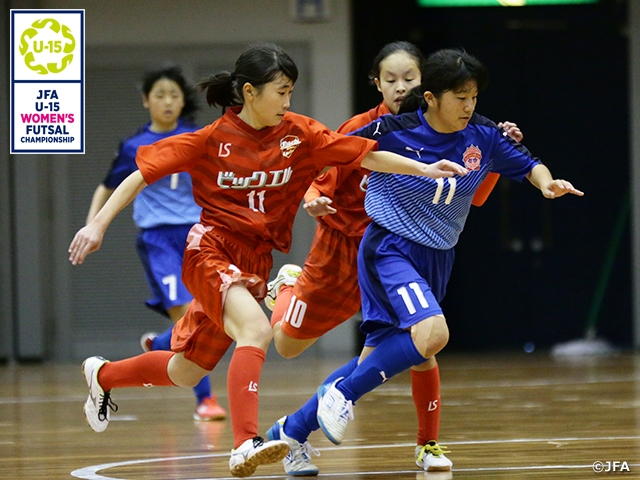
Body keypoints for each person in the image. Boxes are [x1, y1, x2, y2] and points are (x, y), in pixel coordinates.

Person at [68, 43, 467, 478]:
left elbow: (364, 153)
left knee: (186, 371)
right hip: (211, 250)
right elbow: (139, 176)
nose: (288, 102)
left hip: (255, 260)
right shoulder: (211, 140)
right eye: (280, 91)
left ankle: (103, 376)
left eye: (291, 91)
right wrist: (97, 225)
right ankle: (244, 444)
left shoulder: (300, 133)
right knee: (257, 330)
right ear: (250, 93)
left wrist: (423, 169)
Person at [266, 47, 584, 472]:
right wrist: (307, 190)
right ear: (431, 96)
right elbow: (331, 152)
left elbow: (529, 165)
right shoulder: (388, 129)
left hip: (437, 257)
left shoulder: (484, 136)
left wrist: (546, 185)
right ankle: (342, 397)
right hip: (389, 248)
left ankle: (290, 431)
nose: (469, 107)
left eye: (474, 97)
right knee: (432, 335)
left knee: (387, 357)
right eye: (460, 97)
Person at [85, 65, 226, 423]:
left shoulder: (197, 136)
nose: (167, 101)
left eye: (174, 95)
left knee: (204, 314)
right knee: (185, 312)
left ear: (183, 102)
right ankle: (205, 400)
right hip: (158, 238)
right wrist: (93, 223)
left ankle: (160, 344)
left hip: (197, 235)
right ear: (146, 100)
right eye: (159, 95)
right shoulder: (134, 145)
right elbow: (107, 185)